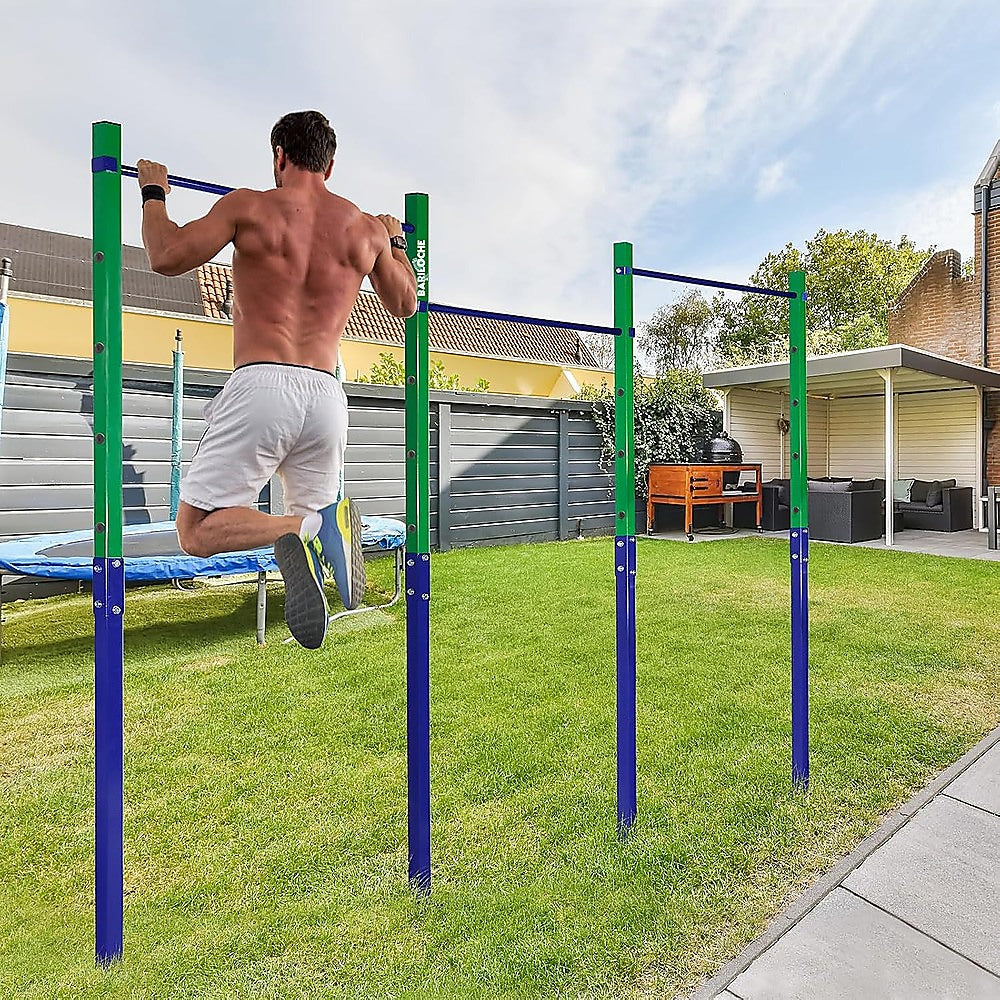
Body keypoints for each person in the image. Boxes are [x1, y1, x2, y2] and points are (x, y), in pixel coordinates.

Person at [137, 110, 417, 649]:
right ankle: (323, 525)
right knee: (314, 513)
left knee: (196, 529)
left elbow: (165, 256)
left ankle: (300, 529)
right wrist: (395, 241)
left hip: (262, 385)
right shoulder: (364, 229)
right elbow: (405, 302)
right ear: (329, 166)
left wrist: (154, 194)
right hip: (327, 397)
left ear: (279, 156)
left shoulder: (251, 206)